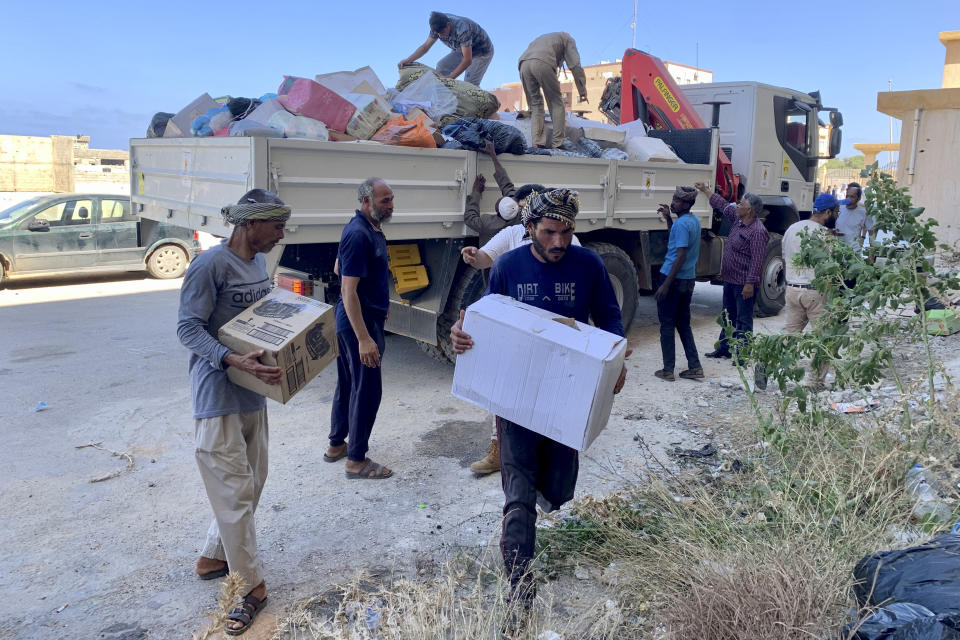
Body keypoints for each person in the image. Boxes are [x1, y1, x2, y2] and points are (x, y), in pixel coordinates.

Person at [449, 188, 627, 627]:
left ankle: (538, 512)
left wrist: (619, 361)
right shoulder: (508, 267)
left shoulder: (589, 265)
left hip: (567, 392)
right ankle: (519, 591)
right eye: (549, 232)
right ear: (529, 229)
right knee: (519, 494)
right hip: (516, 395)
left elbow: (610, 320)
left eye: (566, 232)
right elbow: (487, 318)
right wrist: (462, 333)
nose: (559, 242)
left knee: (558, 489)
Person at [177, 189, 290, 635]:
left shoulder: (258, 264)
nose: (282, 234)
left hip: (252, 392)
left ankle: (214, 556)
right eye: (276, 226)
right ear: (250, 224)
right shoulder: (209, 265)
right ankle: (250, 590)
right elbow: (187, 328)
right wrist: (229, 359)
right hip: (217, 396)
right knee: (234, 494)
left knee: (252, 483)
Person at [324, 178, 395, 480]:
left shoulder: (370, 228)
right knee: (367, 390)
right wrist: (365, 338)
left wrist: (381, 303)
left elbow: (341, 267)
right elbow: (347, 290)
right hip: (358, 324)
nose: (390, 205)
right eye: (384, 201)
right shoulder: (357, 233)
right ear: (366, 201)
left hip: (366, 317)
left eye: (391, 199)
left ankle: (337, 445)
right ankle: (356, 461)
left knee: (349, 383)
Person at [695, 183, 770, 364]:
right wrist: (706, 190)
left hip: (744, 283)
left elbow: (757, 260)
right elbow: (722, 205)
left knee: (743, 320)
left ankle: (743, 354)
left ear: (750, 210)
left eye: (741, 203)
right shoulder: (738, 220)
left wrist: (750, 284)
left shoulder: (758, 232)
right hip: (730, 279)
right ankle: (724, 349)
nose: (737, 205)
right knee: (727, 316)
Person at [782, 192, 841, 390]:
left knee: (790, 336)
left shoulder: (792, 229)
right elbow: (831, 269)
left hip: (792, 289)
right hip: (814, 292)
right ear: (827, 212)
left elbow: (785, 256)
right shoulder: (824, 235)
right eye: (836, 212)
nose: (836, 216)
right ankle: (815, 382)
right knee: (825, 338)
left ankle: (767, 361)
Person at [652, 186, 703, 381]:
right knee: (683, 324)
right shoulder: (693, 221)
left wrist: (665, 285)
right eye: (674, 199)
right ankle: (695, 366)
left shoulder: (682, 224)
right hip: (688, 279)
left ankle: (667, 370)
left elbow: (680, 254)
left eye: (677, 201)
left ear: (687, 204)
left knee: (666, 324)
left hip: (672, 279)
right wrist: (668, 218)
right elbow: (677, 240)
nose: (673, 203)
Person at [518, 32, 588, 149]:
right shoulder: (568, 39)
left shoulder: (544, 38)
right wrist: (582, 91)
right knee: (556, 103)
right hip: (542, 61)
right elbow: (575, 65)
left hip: (523, 64)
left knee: (535, 105)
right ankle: (558, 143)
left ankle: (537, 143)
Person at [398, 12, 494, 86]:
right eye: (438, 34)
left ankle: (484, 108)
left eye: (443, 32)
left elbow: (467, 60)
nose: (441, 36)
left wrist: (450, 78)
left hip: (482, 51)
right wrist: (408, 60)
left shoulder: (462, 28)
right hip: (462, 48)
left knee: (469, 84)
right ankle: (442, 99)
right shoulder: (437, 27)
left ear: (448, 25)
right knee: (441, 67)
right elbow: (425, 47)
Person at [835, 181, 873, 252]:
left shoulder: (864, 212)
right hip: (837, 251)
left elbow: (871, 232)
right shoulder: (838, 208)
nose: (848, 199)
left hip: (853, 253)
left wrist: (871, 254)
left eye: (852, 197)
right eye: (847, 196)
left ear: (858, 199)